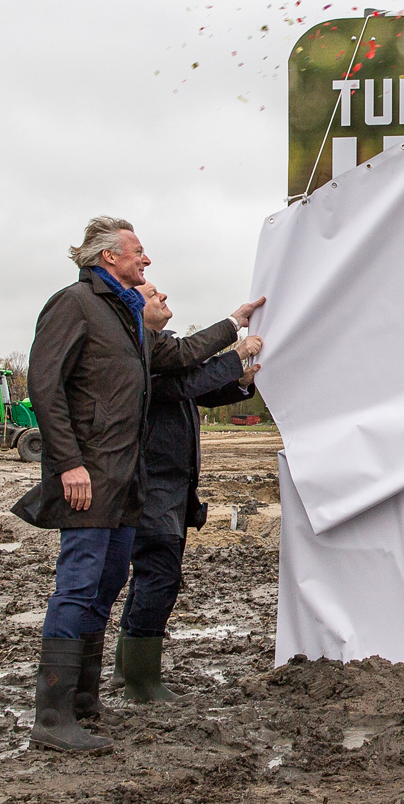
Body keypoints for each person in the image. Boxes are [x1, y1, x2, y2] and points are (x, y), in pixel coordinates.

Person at [14, 216, 265, 754]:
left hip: (128, 483)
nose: (146, 260)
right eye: (138, 251)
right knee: (77, 588)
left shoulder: (127, 317)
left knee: (104, 588)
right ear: (109, 257)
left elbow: (179, 358)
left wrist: (234, 323)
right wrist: (68, 463)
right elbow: (45, 384)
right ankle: (52, 718)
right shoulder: (74, 304)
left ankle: (83, 703)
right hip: (89, 480)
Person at [115, 287, 262, 702]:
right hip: (152, 486)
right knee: (160, 576)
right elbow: (183, 384)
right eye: (151, 293)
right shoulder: (137, 351)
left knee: (150, 575)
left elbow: (195, 388)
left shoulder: (157, 349)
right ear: (133, 306)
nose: (162, 294)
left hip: (170, 487)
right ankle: (142, 684)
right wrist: (234, 354)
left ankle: (128, 670)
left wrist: (239, 383)